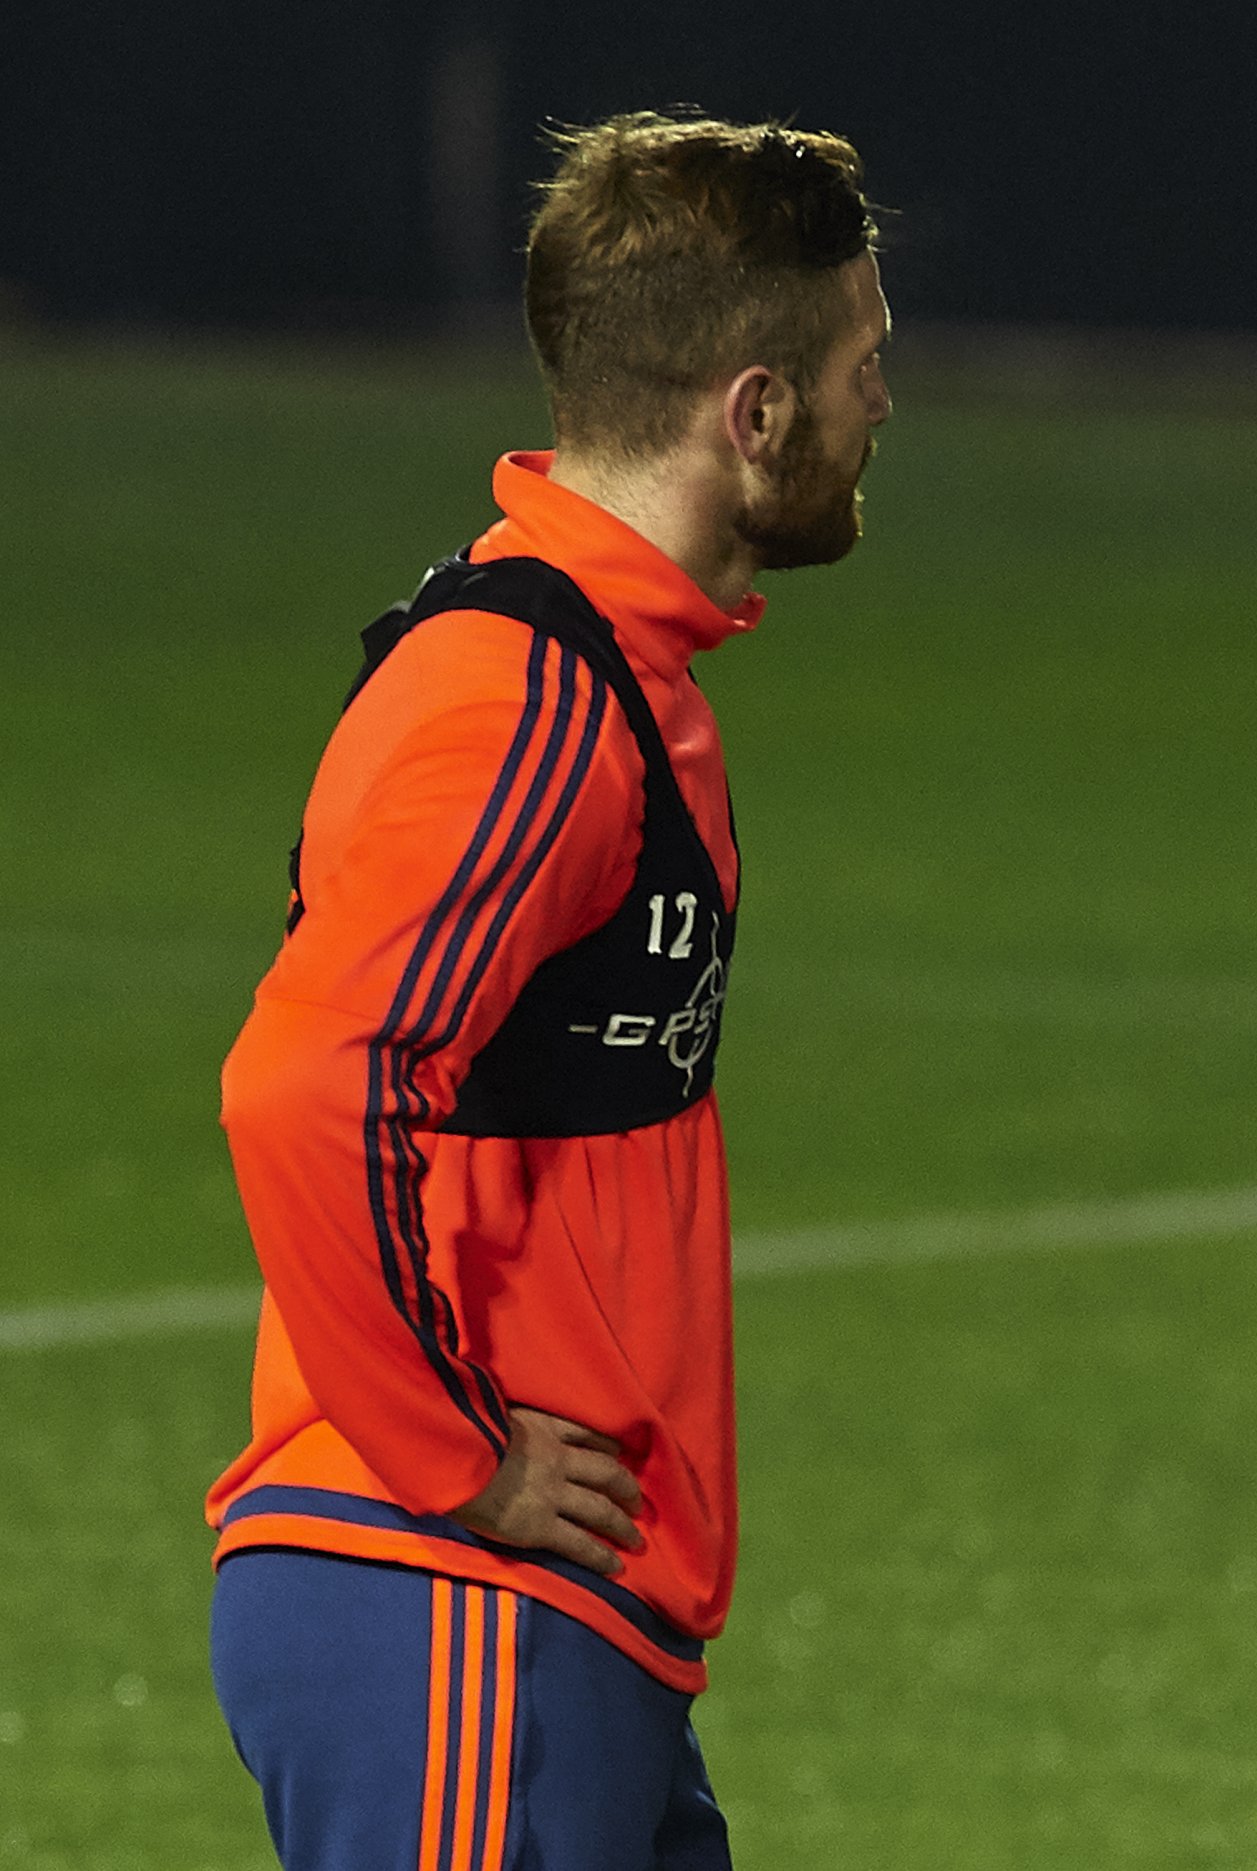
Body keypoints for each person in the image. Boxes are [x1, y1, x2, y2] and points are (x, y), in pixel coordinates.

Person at [205, 112, 890, 1870]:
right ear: (754, 411)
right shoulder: (523, 698)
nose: (885, 407)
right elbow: (305, 1084)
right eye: (862, 367)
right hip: (444, 1591)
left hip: (550, 1612)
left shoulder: (612, 668)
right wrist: (455, 1459)